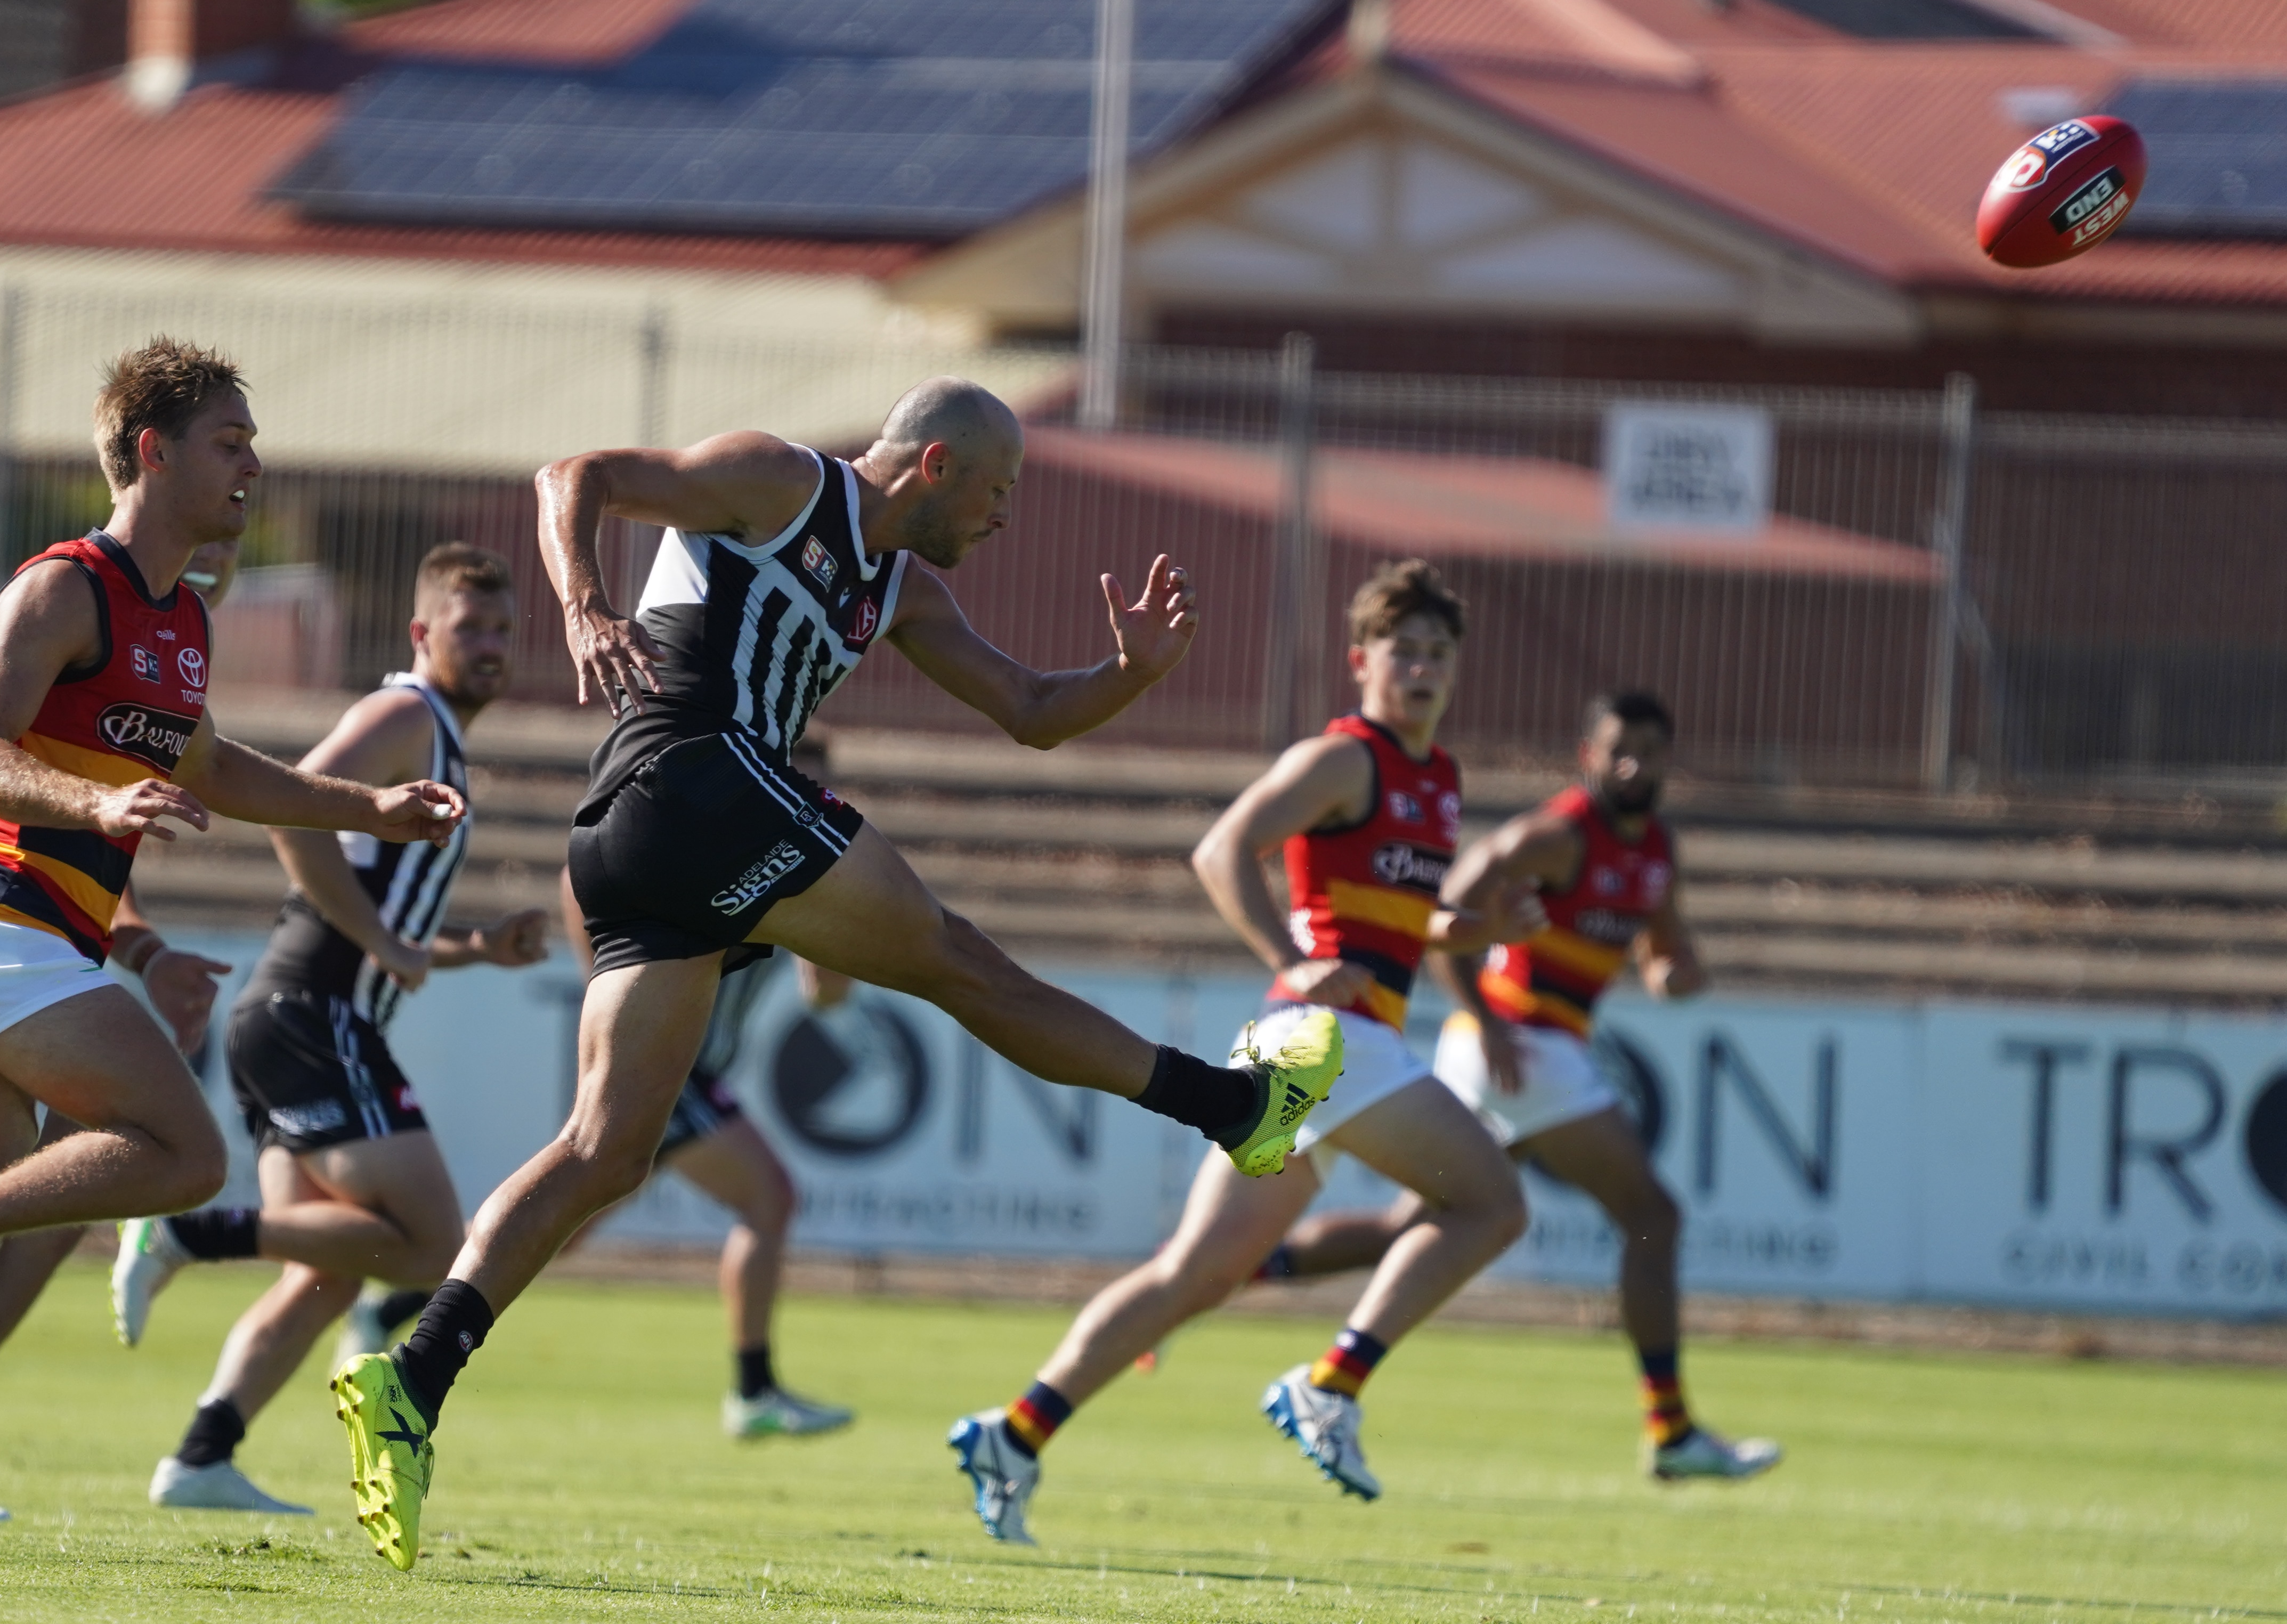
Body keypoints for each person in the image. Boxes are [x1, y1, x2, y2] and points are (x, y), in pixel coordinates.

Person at [330, 376, 1345, 1571]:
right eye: (1000, 491)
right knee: (965, 965)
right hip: (693, 777)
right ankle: (1234, 1108)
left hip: (631, 838)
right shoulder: (782, 480)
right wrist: (584, 604)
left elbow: (1028, 709)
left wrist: (1134, 674)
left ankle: (413, 1377)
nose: (1005, 518)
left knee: (608, 1149)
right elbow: (574, 476)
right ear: (934, 470)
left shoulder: (903, 587)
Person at [0, 338, 465, 1393]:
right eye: (231, 443)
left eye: (253, 445)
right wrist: (95, 799)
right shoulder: (62, 588)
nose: (253, 467)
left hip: (26, 953)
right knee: (187, 1159)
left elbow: (217, 767)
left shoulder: (180, 620)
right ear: (155, 452)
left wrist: (368, 806)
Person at [949, 561, 1534, 1542]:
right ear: (1362, 662)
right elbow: (1222, 848)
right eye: (1405, 651)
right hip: (1326, 1039)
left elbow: (1400, 918)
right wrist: (1290, 958)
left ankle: (1014, 1431)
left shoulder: (1437, 778)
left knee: (1195, 1277)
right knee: (1490, 1202)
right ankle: (1331, 1384)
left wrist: (1477, 926)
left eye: (1440, 652)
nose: (1424, 668)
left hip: (1326, 1046)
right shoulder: (1346, 757)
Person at [110, 543, 549, 1513]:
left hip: (298, 1013)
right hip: (314, 1011)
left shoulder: (439, 735)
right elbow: (294, 812)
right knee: (433, 1245)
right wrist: (385, 940)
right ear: (420, 634)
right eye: (467, 627)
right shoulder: (405, 713)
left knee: (326, 1274)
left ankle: (201, 1455)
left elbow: (386, 928)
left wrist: (477, 947)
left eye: (503, 630)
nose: (490, 646)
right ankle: (187, 1231)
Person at [1258, 693, 1782, 1481]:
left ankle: (1221, 1268)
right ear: (1589, 756)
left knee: (1414, 1224)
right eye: (1620, 749)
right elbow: (1446, 908)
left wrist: (1675, 972)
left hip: (1532, 1050)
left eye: (1651, 749)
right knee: (1652, 1214)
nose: (1635, 765)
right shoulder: (1557, 834)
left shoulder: (1658, 852)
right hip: (1520, 1044)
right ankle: (1670, 1432)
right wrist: (1484, 1017)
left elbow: (1665, 950)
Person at [0, 538, 243, 1521]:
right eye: (211, 541)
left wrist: (151, 956)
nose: (216, 561)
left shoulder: (163, 651)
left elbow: (79, 847)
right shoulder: (65, 610)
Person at [553, 821, 856, 1440]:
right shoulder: (727, 842)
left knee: (562, 1224)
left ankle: (399, 1302)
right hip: (670, 1061)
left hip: (688, 1065)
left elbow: (824, 996)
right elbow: (578, 873)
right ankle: (753, 1392)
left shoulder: (796, 862)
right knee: (769, 1196)